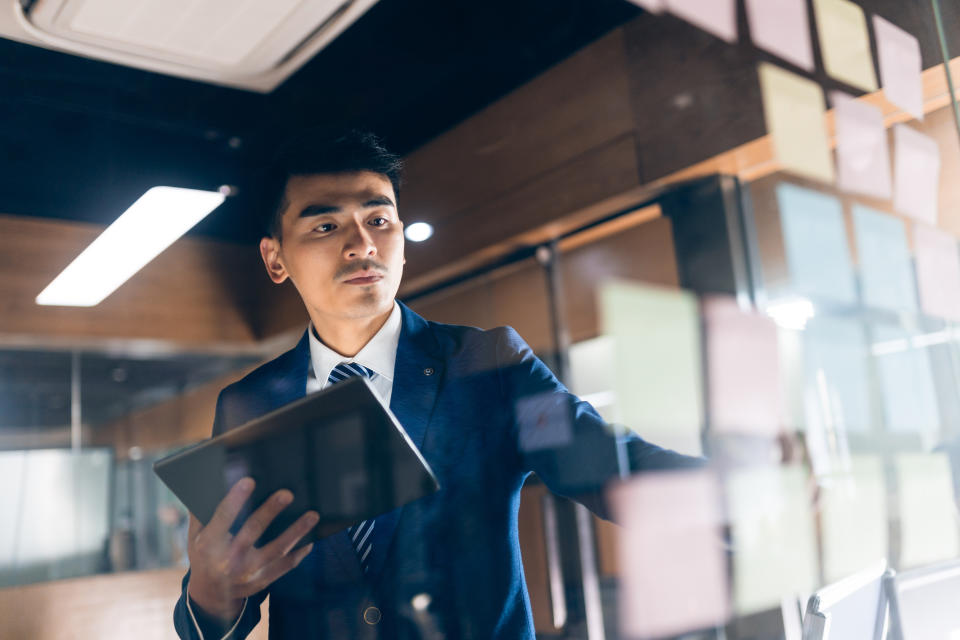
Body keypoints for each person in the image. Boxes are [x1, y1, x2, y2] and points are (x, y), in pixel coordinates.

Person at [173, 130, 700, 639]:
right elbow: (222, 600)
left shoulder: (486, 364)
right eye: (326, 227)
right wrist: (209, 591)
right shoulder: (247, 404)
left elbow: (612, 468)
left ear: (401, 237)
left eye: (378, 219)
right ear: (276, 259)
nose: (361, 244)